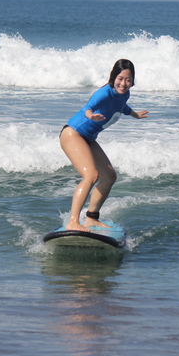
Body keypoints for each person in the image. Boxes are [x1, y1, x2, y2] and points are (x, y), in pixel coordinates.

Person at [59, 59, 149, 232]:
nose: (123, 83)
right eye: (120, 78)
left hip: (89, 138)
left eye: (128, 80)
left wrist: (135, 115)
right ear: (113, 77)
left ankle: (91, 219)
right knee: (91, 176)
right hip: (73, 134)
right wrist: (90, 116)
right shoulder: (104, 93)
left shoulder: (124, 94)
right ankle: (73, 221)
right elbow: (88, 107)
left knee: (109, 176)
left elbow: (122, 107)